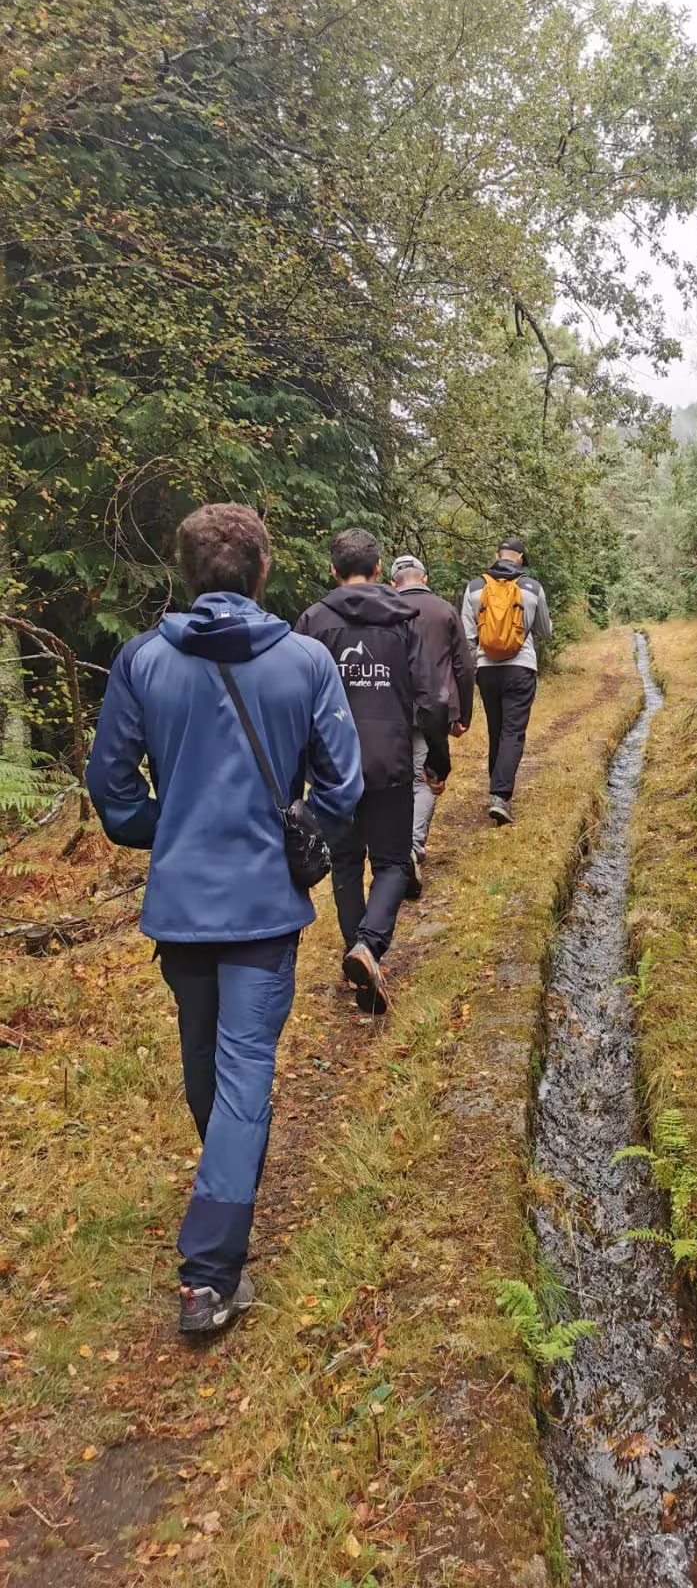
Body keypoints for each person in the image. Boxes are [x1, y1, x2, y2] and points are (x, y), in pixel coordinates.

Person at [86, 503, 362, 1335]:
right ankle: (209, 1276)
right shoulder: (306, 663)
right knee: (239, 1072)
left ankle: (217, 1223)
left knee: (207, 1063)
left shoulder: (142, 663)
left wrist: (164, 830)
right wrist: (302, 837)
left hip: (181, 906)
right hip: (263, 909)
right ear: (262, 572)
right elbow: (343, 787)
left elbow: (113, 791)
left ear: (188, 571)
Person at [295, 528, 450, 1011]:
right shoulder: (404, 619)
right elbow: (431, 698)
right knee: (392, 862)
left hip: (331, 765)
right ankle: (369, 946)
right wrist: (439, 758)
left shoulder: (312, 623)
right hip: (390, 760)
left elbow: (293, 699)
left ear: (332, 570)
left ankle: (357, 950)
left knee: (345, 862)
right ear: (380, 568)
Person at [389, 553, 474, 888]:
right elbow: (464, 667)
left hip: (390, 708)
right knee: (425, 779)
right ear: (423, 578)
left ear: (393, 582)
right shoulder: (444, 610)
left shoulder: (382, 610)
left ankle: (397, 848)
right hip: (434, 710)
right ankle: (412, 846)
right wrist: (462, 713)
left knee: (397, 781)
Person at [461, 538, 552, 824]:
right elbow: (545, 631)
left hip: (487, 669)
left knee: (496, 729)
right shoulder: (532, 587)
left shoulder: (476, 587)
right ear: (521, 559)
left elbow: (467, 637)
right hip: (520, 668)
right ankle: (500, 796)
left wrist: (476, 664)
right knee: (513, 732)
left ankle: (496, 790)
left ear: (497, 555)